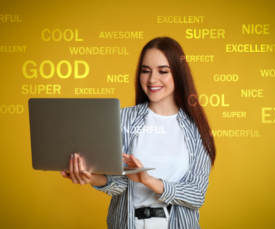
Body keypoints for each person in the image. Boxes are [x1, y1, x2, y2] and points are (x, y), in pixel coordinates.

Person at [60, 36, 216, 229]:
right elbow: (119, 184)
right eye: (145, 71)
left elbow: (196, 195)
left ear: (179, 73)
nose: (152, 79)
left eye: (163, 71)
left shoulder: (197, 130)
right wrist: (90, 177)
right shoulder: (122, 119)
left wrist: (148, 180)